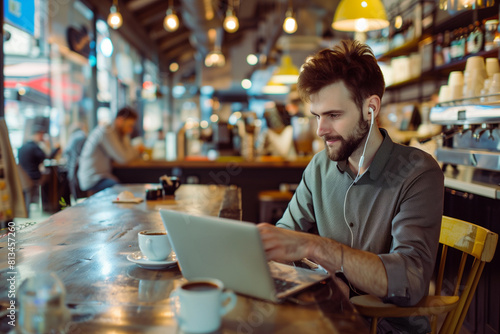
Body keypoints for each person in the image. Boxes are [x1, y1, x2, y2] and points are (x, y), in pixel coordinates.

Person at [257, 40, 444, 334]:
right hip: (326, 315)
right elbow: (285, 241)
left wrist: (317, 247)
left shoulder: (419, 173)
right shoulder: (319, 167)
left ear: (370, 108)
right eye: (317, 116)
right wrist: (325, 276)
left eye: (333, 115)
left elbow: (409, 280)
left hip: (384, 327)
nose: (320, 130)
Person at [77, 107, 143, 193]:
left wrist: (126, 137)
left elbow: (127, 152)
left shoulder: (119, 134)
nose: (130, 130)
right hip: (93, 179)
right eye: (129, 125)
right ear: (120, 120)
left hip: (103, 177)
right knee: (121, 191)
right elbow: (123, 158)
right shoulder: (107, 131)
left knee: (128, 187)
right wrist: (137, 150)